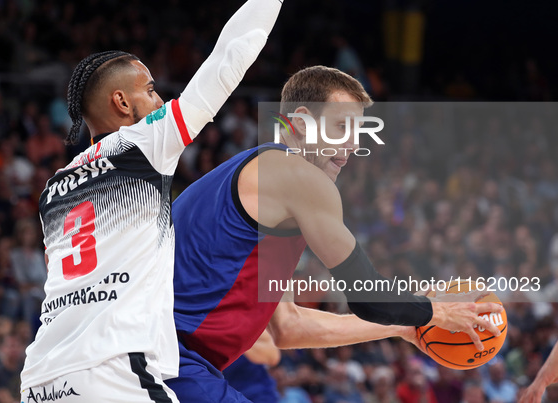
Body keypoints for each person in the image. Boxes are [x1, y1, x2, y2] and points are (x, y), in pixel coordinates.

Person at [166, 65, 504, 402]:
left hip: (168, 358)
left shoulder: (266, 185)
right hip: (168, 358)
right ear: (299, 124)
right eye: (342, 127)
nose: (354, 144)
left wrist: (404, 327)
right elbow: (368, 296)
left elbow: (288, 327)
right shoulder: (295, 175)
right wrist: (437, 311)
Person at [19, 0, 283, 401]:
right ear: (122, 103)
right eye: (150, 90)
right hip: (111, 368)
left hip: (42, 377)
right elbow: (229, 57)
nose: (160, 101)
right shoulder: (142, 143)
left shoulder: (53, 190)